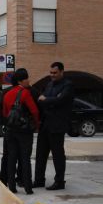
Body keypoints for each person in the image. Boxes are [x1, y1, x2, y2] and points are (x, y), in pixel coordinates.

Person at [33, 61, 74, 190]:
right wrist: (50, 101)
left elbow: (61, 100)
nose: (52, 75)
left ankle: (60, 181)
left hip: (57, 125)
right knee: (40, 153)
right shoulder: (49, 84)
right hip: (45, 124)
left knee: (57, 155)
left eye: (55, 73)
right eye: (51, 72)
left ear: (62, 72)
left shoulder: (68, 85)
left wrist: (47, 101)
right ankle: (39, 180)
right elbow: (43, 100)